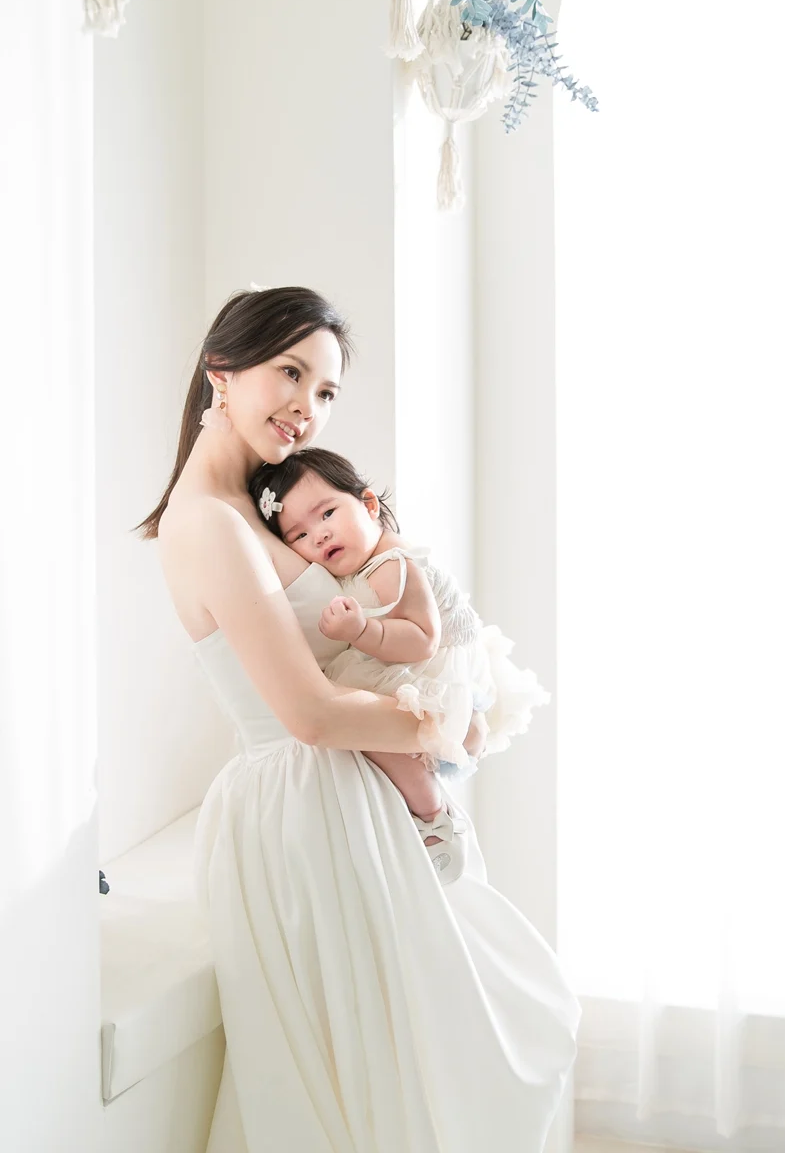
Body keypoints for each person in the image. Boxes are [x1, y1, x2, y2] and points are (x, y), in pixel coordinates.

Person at [141, 286, 580, 1153]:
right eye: (290, 373)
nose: (307, 406)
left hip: (348, 798)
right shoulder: (209, 524)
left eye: (326, 390)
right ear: (221, 372)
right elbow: (306, 713)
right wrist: (444, 727)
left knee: (421, 1059)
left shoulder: (259, 506)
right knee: (377, 1079)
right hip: (306, 804)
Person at [248, 446, 550, 885]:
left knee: (361, 721)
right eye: (299, 535)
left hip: (434, 663)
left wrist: (361, 631)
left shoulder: (394, 565)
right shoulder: (364, 561)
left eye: (327, 513)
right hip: (409, 659)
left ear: (369, 505)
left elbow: (423, 639)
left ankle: (432, 813)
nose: (319, 535)